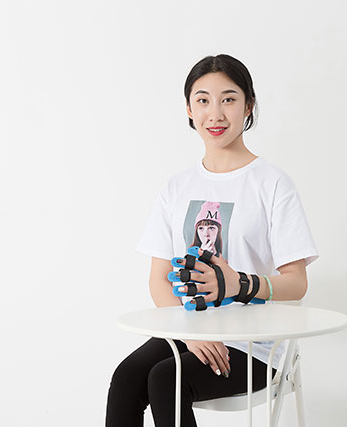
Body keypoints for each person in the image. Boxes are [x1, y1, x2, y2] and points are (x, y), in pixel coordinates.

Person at [105, 54, 319, 427]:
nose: (215, 114)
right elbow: (159, 279)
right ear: (189, 109)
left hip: (256, 343)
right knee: (127, 378)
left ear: (249, 105)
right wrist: (190, 334)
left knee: (166, 379)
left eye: (228, 99)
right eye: (203, 100)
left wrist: (240, 284)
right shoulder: (177, 186)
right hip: (189, 330)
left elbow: (297, 283)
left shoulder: (272, 183)